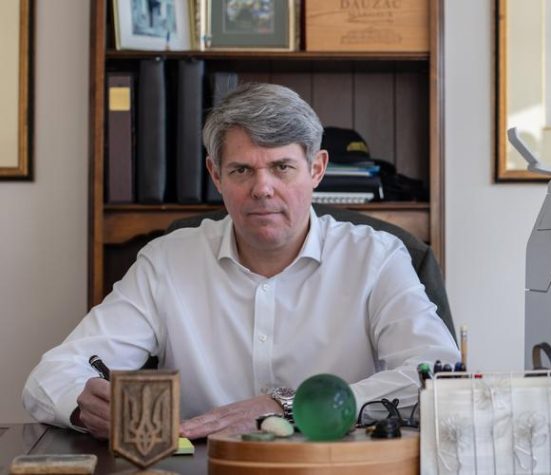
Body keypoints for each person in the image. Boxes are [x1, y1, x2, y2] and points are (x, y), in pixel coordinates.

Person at [22, 83, 460, 439]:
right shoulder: (168, 260)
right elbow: (50, 377)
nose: (262, 188)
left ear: (317, 169)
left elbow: (434, 380)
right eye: (242, 170)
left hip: (333, 465)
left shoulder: (377, 257)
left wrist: (288, 407)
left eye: (282, 167)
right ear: (216, 175)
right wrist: (85, 405)